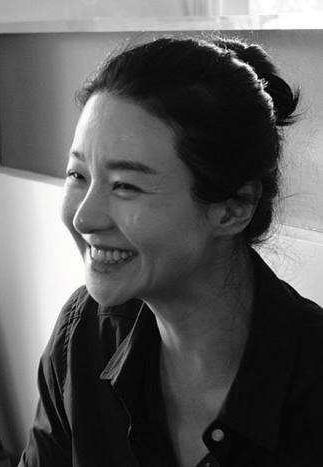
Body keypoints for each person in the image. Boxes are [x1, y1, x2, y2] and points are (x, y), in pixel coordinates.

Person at [19, 36, 323, 466]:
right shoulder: (83, 334)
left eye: (126, 185)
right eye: (77, 174)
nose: (84, 218)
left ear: (233, 208)